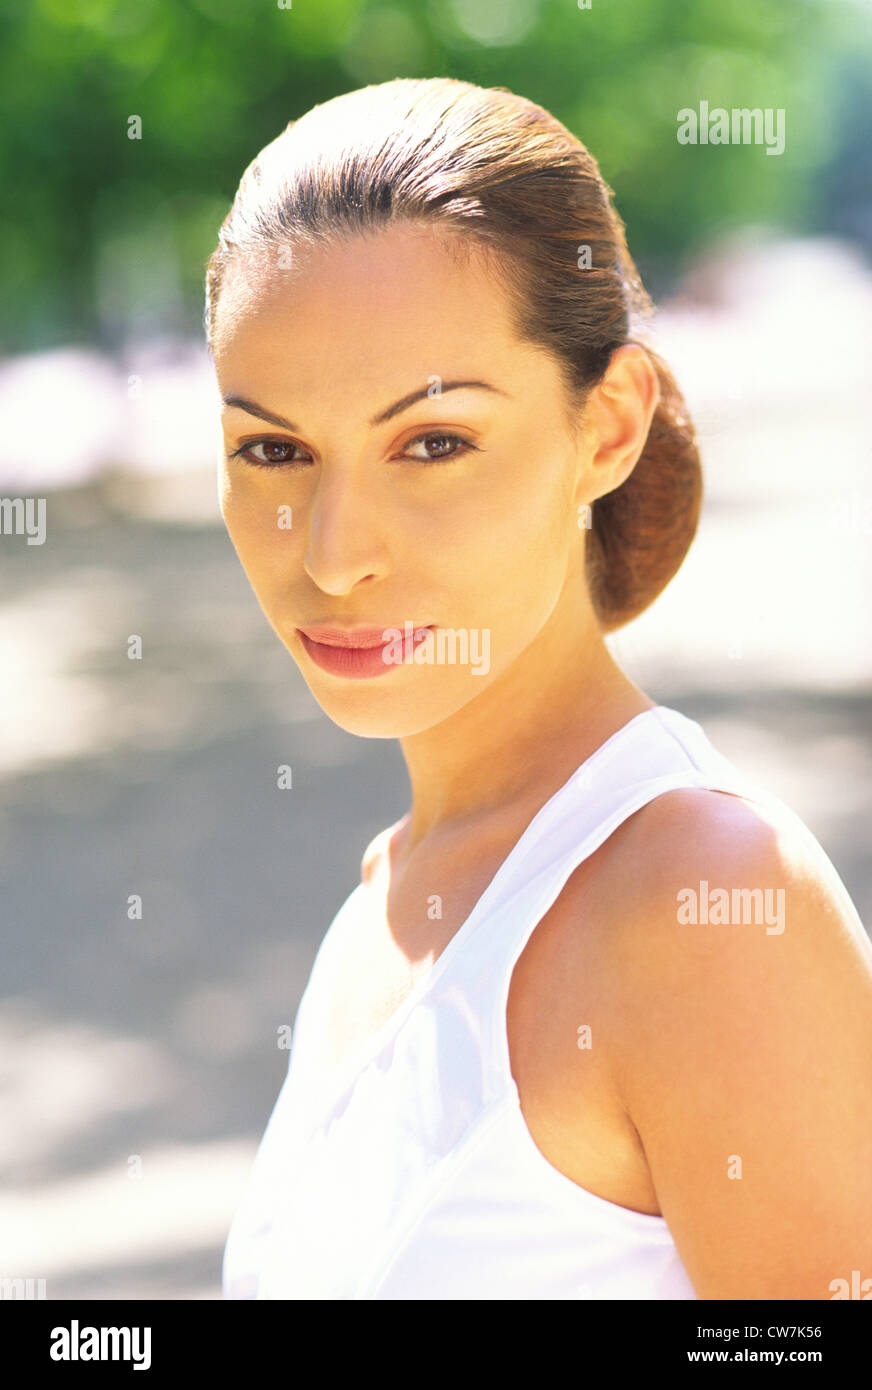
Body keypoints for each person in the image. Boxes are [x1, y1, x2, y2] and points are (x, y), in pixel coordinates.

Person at [206, 77, 872, 1299]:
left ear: (605, 427)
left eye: (433, 442)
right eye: (273, 449)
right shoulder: (382, 900)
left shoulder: (705, 900)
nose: (333, 554)